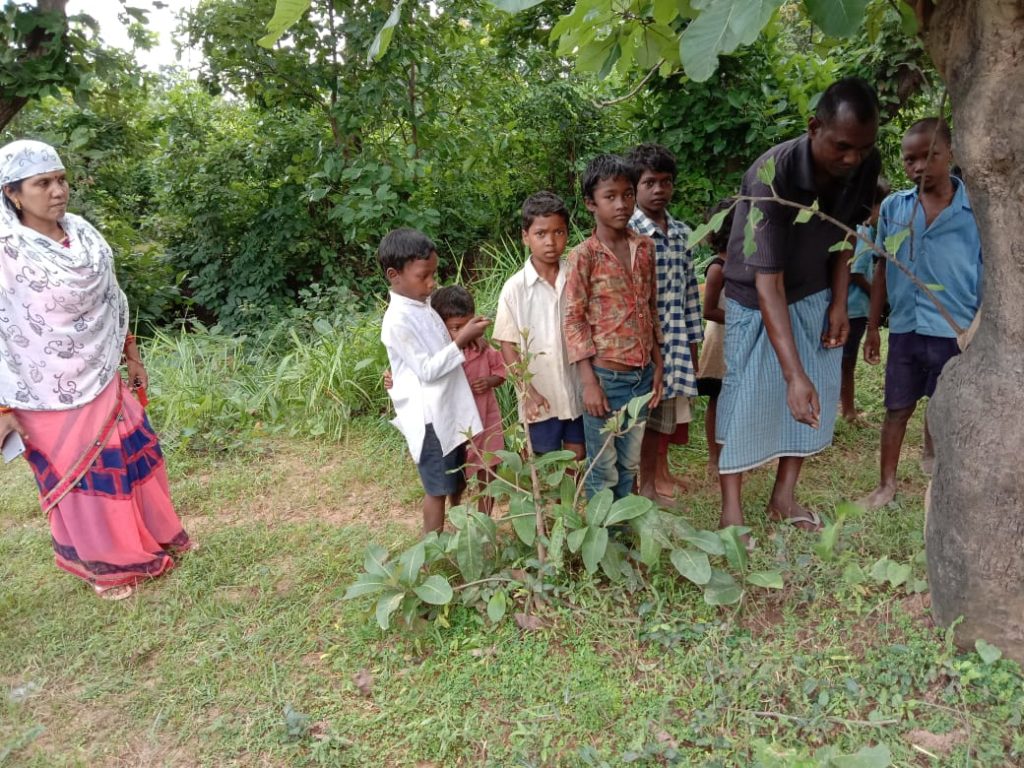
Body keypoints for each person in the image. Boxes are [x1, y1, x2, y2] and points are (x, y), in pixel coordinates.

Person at [0, 139, 192, 600]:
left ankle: (157, 535)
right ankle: (108, 564)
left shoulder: (83, 233)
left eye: (61, 179)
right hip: (41, 389)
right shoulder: (7, 252)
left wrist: (131, 352)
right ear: (13, 193)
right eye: (42, 183)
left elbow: (111, 299)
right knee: (87, 476)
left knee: (134, 455)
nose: (57, 191)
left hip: (103, 371)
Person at [716, 77, 881, 535]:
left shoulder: (865, 164)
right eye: (843, 146)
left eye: (863, 149)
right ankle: (732, 512)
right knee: (744, 395)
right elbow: (768, 283)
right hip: (755, 295)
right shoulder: (773, 176)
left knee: (816, 393)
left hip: (815, 291)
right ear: (814, 127)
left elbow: (846, 234)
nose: (853, 159)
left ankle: (783, 497)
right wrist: (792, 374)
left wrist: (839, 301)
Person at [861, 118, 982, 509]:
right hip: (906, 327)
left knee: (946, 405)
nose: (917, 167)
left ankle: (944, 478)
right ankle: (886, 485)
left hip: (955, 327)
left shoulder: (975, 212)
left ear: (951, 154)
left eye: (928, 156)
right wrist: (874, 328)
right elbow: (881, 269)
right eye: (909, 159)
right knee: (897, 408)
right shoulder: (896, 208)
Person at [564, 154, 663, 500]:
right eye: (610, 196)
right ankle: (603, 544)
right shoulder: (584, 256)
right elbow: (573, 319)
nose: (621, 204)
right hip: (606, 379)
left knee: (629, 465)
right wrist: (588, 382)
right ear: (592, 203)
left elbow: (650, 308)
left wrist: (658, 364)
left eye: (627, 194)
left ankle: (623, 538)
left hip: (641, 375)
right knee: (602, 468)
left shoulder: (645, 248)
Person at [379, 227, 489, 533]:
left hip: (448, 410)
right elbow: (426, 369)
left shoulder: (424, 306)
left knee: (456, 476)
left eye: (433, 274)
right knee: (437, 488)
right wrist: (461, 341)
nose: (431, 283)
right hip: (429, 419)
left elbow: (442, 342)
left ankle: (458, 529)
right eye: (423, 276)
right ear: (394, 275)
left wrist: (468, 340)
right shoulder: (397, 320)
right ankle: (432, 549)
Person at [627, 144, 702, 502]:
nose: (659, 190)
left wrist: (693, 346)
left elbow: (690, 295)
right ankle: (634, 489)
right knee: (635, 422)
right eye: (650, 182)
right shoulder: (627, 234)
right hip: (638, 350)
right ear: (635, 187)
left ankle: (651, 485)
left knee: (660, 422)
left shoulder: (683, 233)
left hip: (674, 345)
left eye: (666, 182)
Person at [493, 192, 584, 461]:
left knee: (576, 452)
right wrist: (527, 391)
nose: (550, 242)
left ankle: (568, 502)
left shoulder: (576, 277)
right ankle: (537, 500)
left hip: (577, 386)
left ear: (567, 234)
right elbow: (507, 344)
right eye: (541, 234)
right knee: (538, 455)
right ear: (525, 237)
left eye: (558, 232)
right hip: (540, 390)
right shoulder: (515, 289)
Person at [431, 285, 506, 515]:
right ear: (440, 327)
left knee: (489, 471)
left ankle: (485, 519)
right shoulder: (440, 354)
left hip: (486, 421)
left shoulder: (481, 348)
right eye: (456, 328)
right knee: (457, 477)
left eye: (468, 325)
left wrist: (490, 381)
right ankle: (456, 511)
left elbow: (502, 371)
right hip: (457, 427)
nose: (465, 332)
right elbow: (419, 374)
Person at [840, 178, 890, 424]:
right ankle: (848, 411)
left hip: (851, 307)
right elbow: (856, 272)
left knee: (845, 361)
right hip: (854, 308)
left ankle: (848, 406)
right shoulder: (862, 231)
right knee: (846, 362)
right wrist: (878, 296)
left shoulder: (854, 229)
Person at [696, 199, 735, 481]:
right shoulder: (717, 269)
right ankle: (714, 455)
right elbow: (708, 309)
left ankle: (733, 450)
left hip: (740, 341)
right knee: (717, 398)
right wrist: (740, 318)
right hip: (720, 341)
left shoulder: (745, 265)